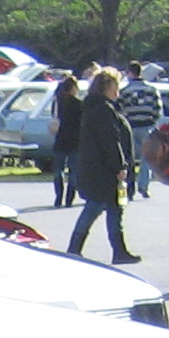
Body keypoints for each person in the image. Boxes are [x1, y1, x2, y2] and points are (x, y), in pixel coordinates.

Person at [66, 66, 140, 262]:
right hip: (102, 170)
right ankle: (74, 247)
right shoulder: (102, 110)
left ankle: (119, 250)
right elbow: (110, 141)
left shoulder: (98, 108)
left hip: (100, 168)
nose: (118, 90)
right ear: (107, 87)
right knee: (94, 207)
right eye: (115, 85)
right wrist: (120, 166)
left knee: (115, 209)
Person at [49, 71, 83, 209]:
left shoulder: (58, 103)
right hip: (75, 139)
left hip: (61, 138)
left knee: (59, 170)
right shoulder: (79, 104)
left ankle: (58, 196)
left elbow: (54, 119)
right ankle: (69, 198)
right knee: (73, 171)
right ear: (73, 88)